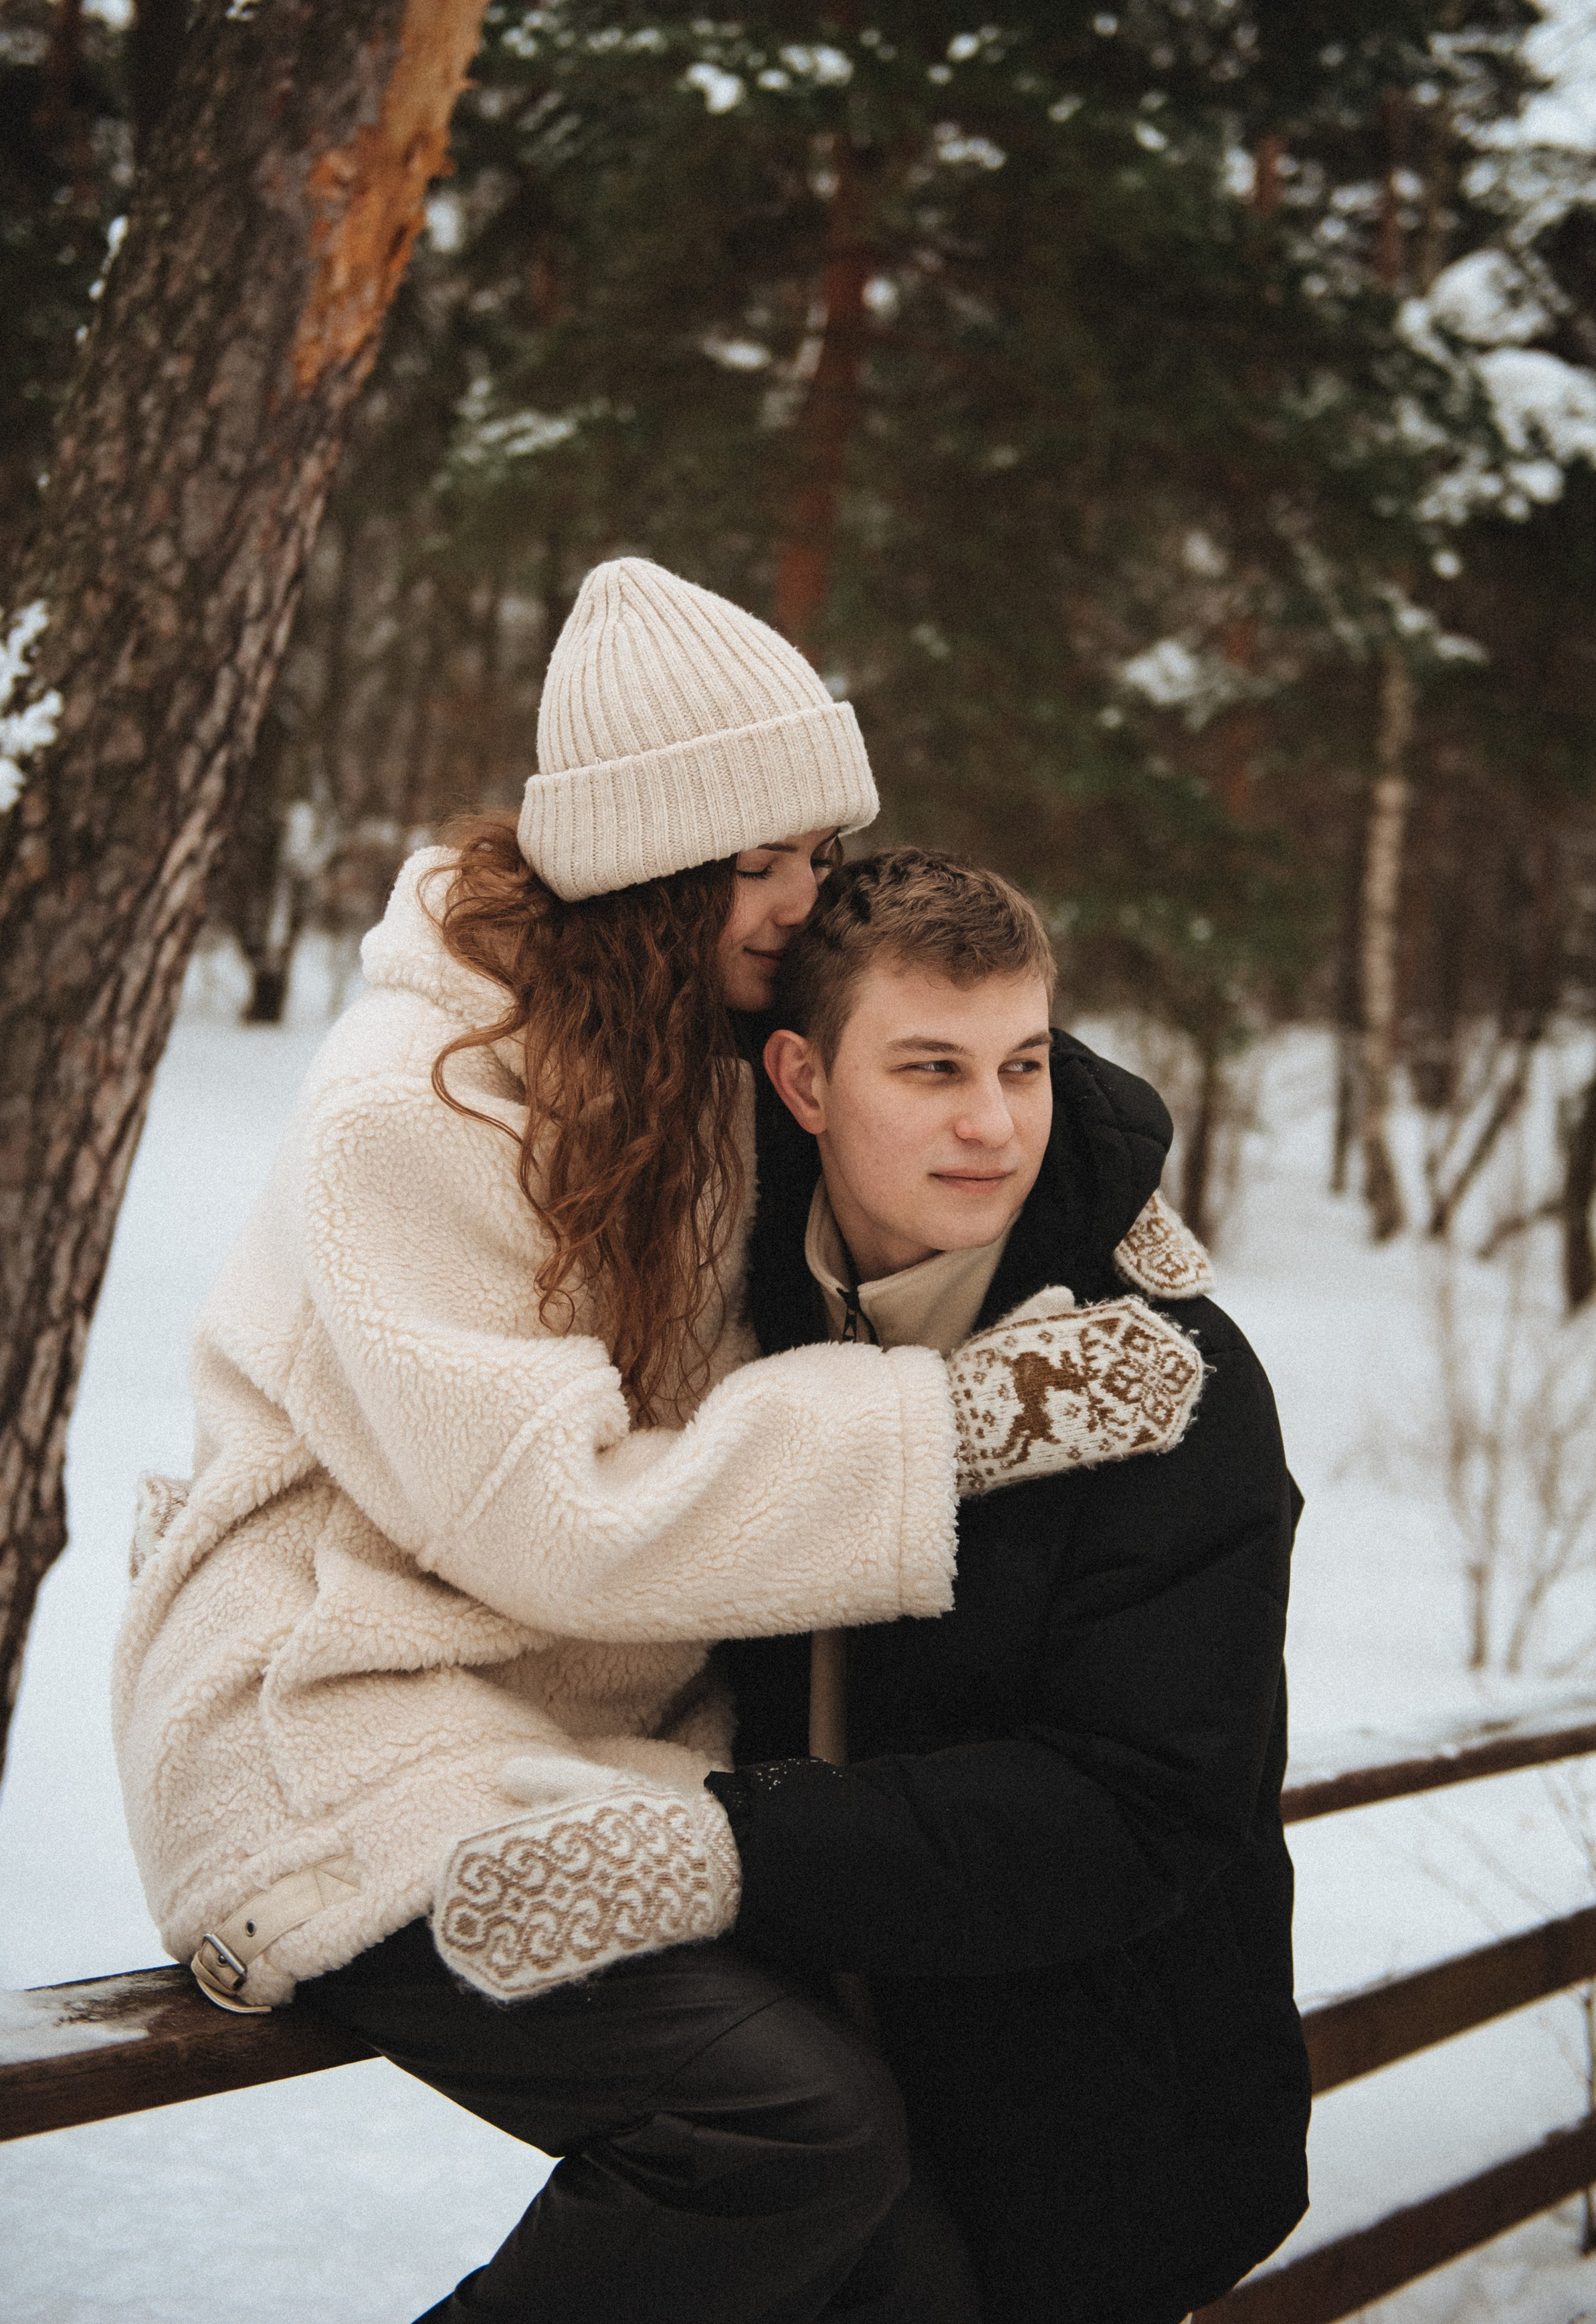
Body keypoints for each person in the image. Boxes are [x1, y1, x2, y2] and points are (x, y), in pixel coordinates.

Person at [113, 558, 1203, 2324]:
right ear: (644, 874)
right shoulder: (414, 1108)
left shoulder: (707, 1042)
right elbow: (550, 1519)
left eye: (816, 851)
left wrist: (1092, 1215)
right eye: (753, 863)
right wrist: (950, 1422)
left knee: (924, 2247)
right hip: (333, 1740)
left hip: (592, 1743)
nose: (797, 901)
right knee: (784, 2127)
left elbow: (934, 1070)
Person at [709, 847, 1312, 2324]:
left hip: (1090, 2156)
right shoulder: (723, 1315)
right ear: (800, 1081)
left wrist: (718, 1848)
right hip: (806, 2122)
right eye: (929, 1069)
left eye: (1024, 1066)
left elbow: (1134, 1806)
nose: (992, 1125)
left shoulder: (1169, 1378)